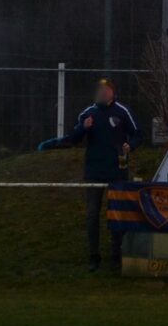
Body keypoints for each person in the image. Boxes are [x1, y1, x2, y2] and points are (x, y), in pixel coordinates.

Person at [51, 79, 142, 272]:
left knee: (117, 215)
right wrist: (83, 127)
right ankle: (94, 257)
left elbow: (137, 134)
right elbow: (73, 139)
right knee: (92, 215)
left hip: (117, 172)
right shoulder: (88, 113)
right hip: (94, 173)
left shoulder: (122, 112)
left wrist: (130, 146)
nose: (102, 92)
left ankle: (116, 257)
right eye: (100, 89)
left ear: (112, 92)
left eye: (106, 89)